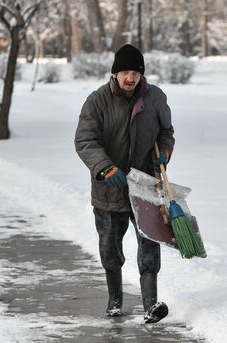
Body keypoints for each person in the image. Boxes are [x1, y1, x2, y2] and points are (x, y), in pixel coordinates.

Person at [74, 44, 175, 324]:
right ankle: (115, 300)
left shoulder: (155, 97)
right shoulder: (97, 101)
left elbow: (166, 132)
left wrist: (165, 152)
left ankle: (150, 304)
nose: (131, 78)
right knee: (109, 247)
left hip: (145, 186)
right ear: (115, 74)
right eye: (126, 72)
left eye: (136, 73)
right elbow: (85, 141)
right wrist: (105, 168)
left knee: (149, 243)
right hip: (109, 187)